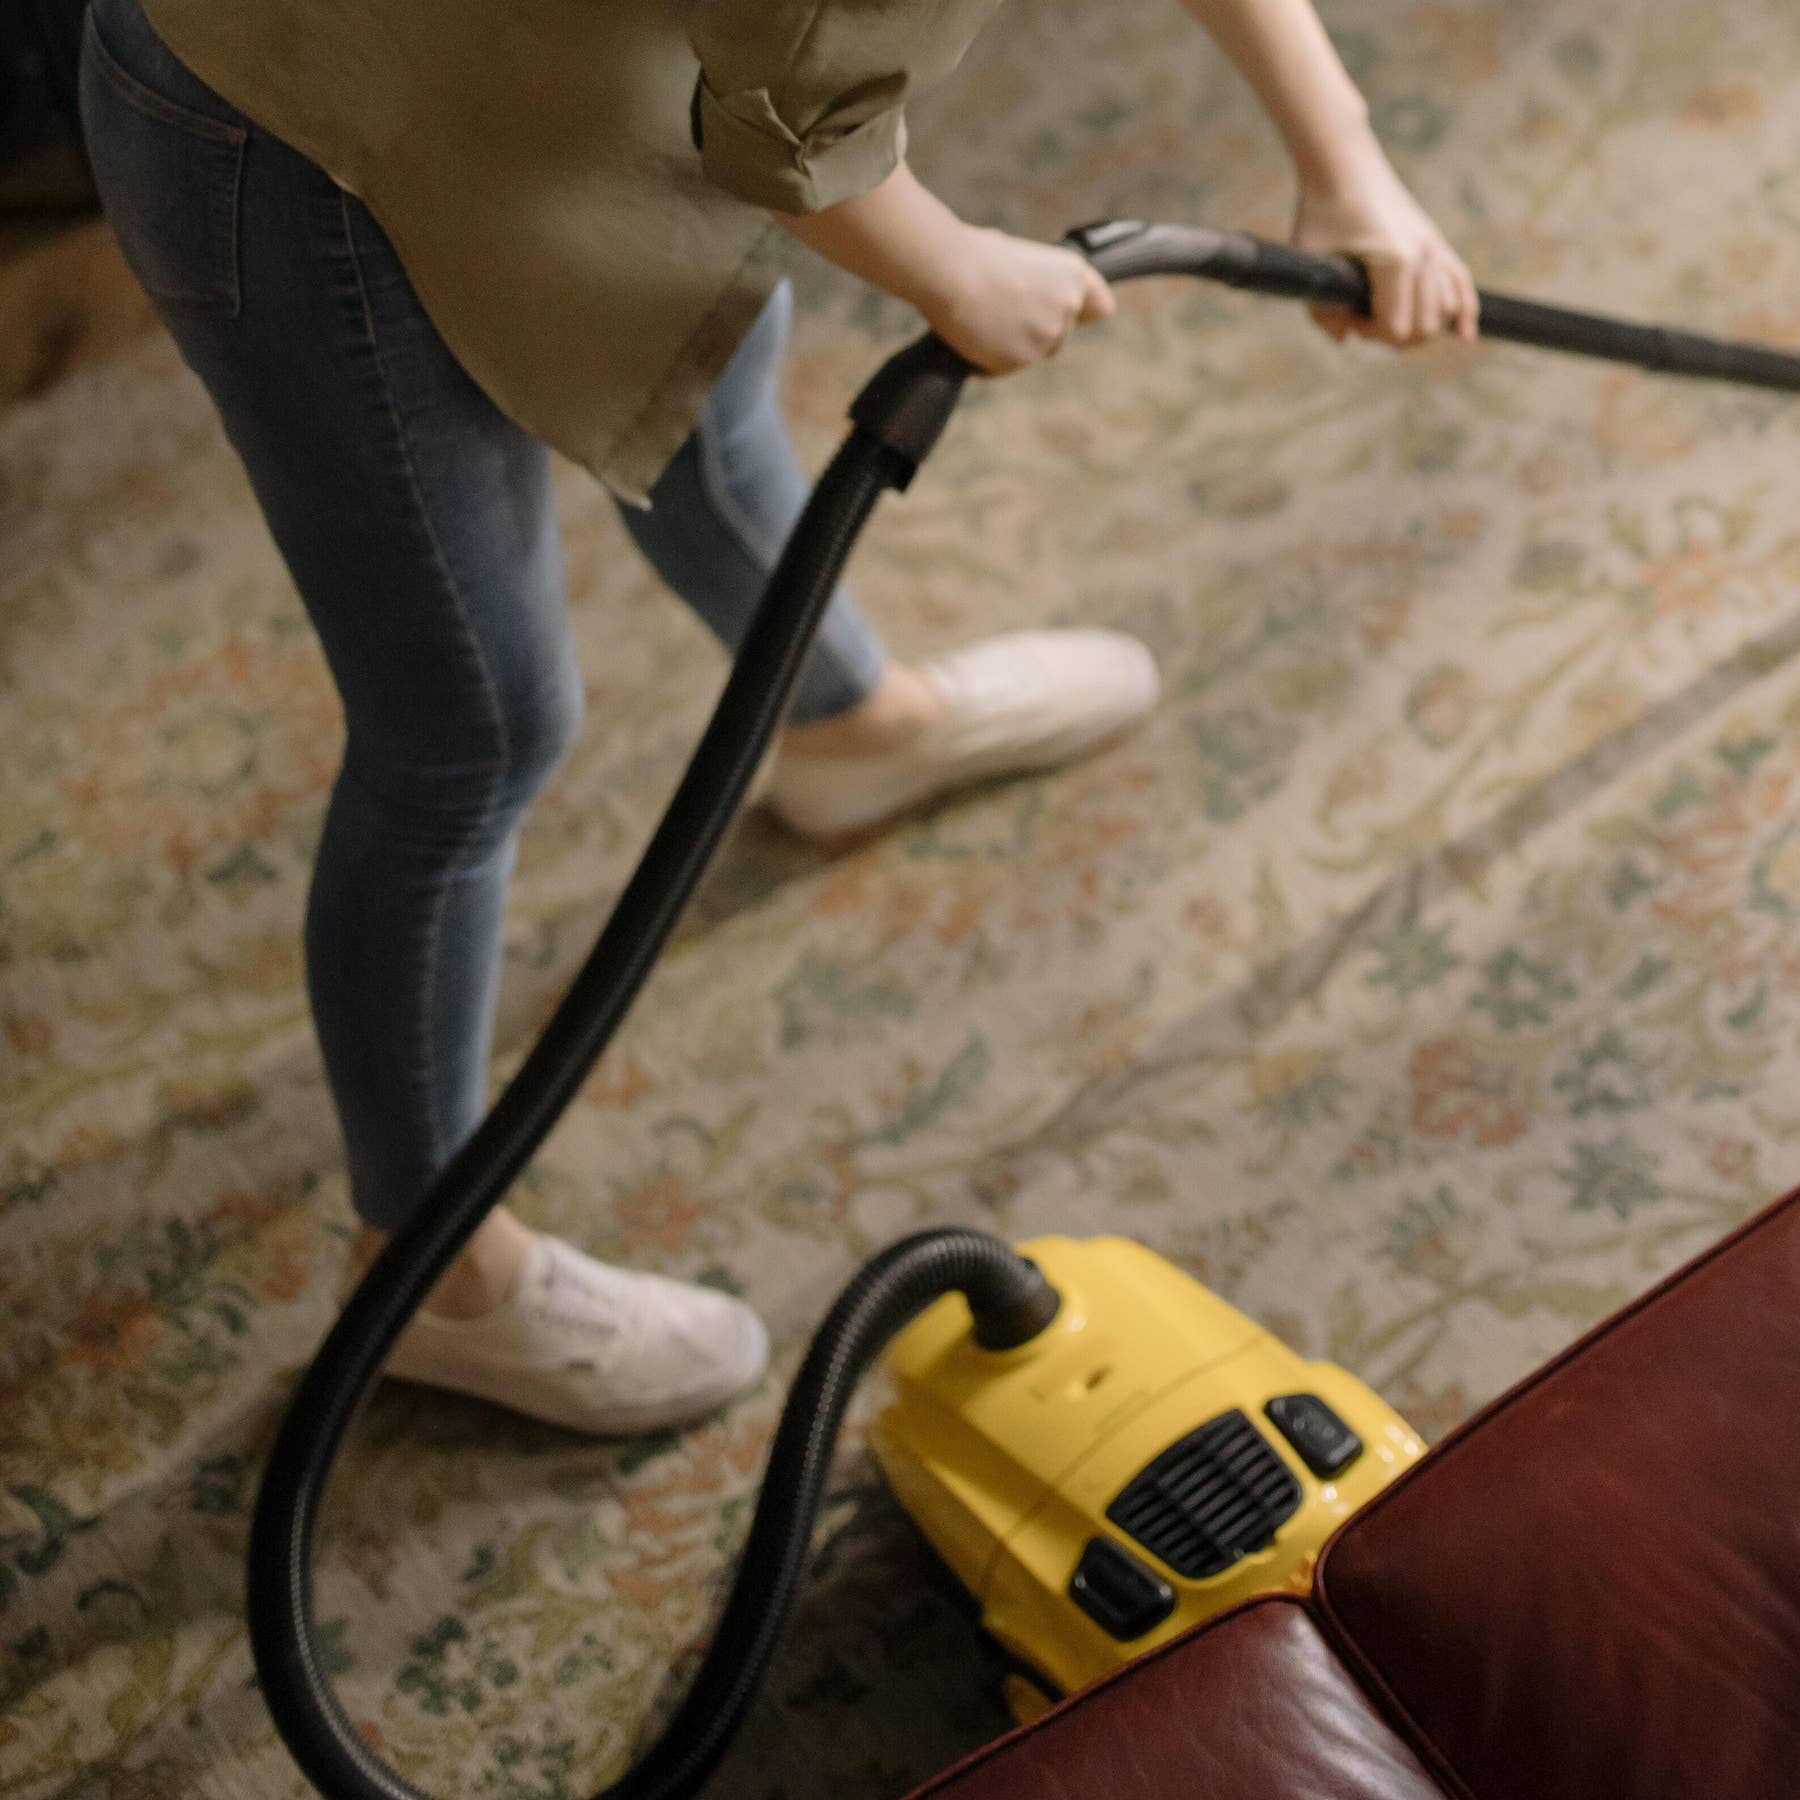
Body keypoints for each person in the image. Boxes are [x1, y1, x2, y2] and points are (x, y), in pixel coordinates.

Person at [78, 0, 1478, 1437]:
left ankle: (849, 729)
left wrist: (1343, 159)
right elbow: (794, 127)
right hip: (294, 125)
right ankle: (435, 1271)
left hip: (565, 65)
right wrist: (961, 273)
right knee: (470, 727)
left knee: (708, 381)